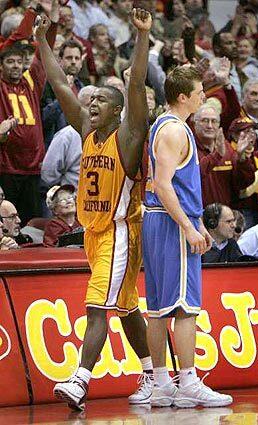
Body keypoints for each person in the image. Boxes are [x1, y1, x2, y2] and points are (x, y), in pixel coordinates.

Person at [35, 8, 153, 411]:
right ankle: (156, 375)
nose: (93, 102)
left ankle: (80, 379)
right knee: (126, 306)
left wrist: (140, 36)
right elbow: (57, 82)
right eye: (92, 98)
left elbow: (136, 83)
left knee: (97, 304)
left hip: (121, 231)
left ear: (119, 111)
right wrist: (41, 42)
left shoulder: (129, 137)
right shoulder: (87, 131)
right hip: (93, 232)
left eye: (102, 99)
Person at [143, 65, 233, 408]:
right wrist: (188, 226)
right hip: (170, 221)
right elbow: (164, 186)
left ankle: (163, 383)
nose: (203, 97)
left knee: (158, 309)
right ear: (183, 97)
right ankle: (189, 382)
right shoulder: (175, 131)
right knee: (184, 307)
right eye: (199, 92)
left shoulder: (164, 125)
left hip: (159, 220)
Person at [0, 0, 59, 226]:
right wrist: (32, 10)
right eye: (10, 62)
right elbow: (11, 43)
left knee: (30, 223)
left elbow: (46, 53)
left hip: (33, 168)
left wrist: (52, 24)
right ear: (2, 65)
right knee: (8, 223)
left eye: (18, 62)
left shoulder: (30, 83)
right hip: (7, 168)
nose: (16, 66)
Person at [193, 105, 256, 208]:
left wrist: (242, 158)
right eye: (205, 120)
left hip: (225, 217)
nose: (209, 126)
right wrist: (216, 155)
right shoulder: (189, 147)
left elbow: (243, 184)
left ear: (219, 125)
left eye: (214, 121)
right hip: (198, 215)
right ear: (195, 123)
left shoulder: (228, 149)